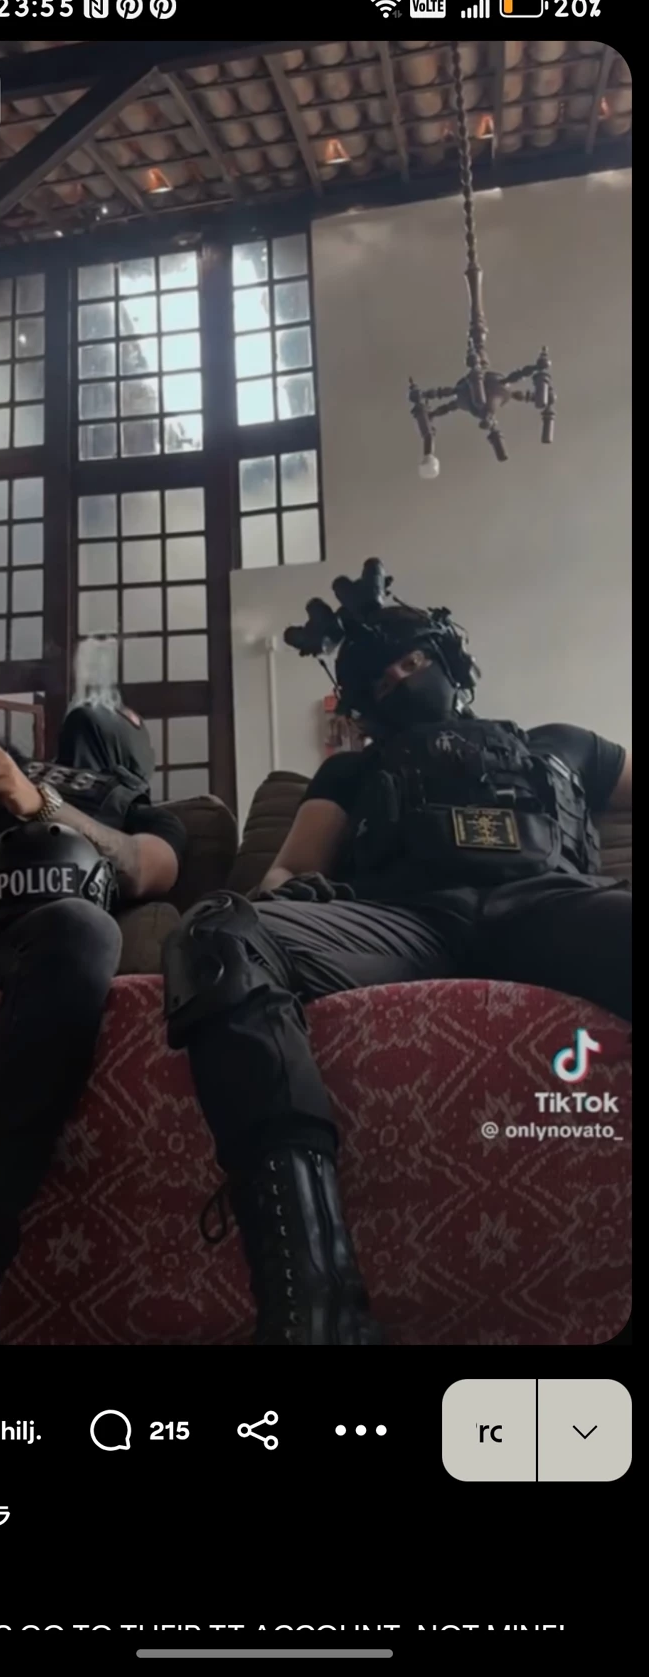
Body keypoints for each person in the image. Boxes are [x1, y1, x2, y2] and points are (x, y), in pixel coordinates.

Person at [163, 560, 632, 1347]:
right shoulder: (352, 768)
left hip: (550, 905)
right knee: (218, 934)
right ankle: (315, 1303)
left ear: (449, 659)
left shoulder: (564, 745)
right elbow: (286, 871)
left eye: (413, 661)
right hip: (407, 922)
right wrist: (291, 895)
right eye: (382, 680)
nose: (401, 680)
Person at [0, 703, 186, 1345]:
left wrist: (39, 802)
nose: (103, 710)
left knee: (83, 929)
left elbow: (147, 866)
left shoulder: (144, 809)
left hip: (16, 936)